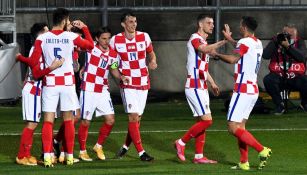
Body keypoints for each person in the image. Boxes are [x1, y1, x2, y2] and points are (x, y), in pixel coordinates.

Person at [23, 8, 94, 167]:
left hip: (51, 83)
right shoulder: (71, 36)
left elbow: (34, 61)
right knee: (68, 120)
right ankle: (68, 156)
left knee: (48, 121)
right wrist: (84, 27)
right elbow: (90, 46)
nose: (69, 23)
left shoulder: (43, 38)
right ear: (64, 20)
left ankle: (48, 157)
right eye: (68, 21)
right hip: (67, 83)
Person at [210, 16, 272, 170]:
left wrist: (216, 54)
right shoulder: (257, 42)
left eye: (240, 24)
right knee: (241, 127)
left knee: (232, 127)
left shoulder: (245, 43)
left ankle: (261, 149)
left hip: (242, 90)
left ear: (244, 27)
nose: (239, 26)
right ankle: (244, 162)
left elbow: (233, 59)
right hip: (253, 90)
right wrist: (230, 39)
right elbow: (243, 48)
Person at [174, 14, 226, 164]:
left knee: (201, 122)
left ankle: (198, 156)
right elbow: (204, 48)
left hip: (201, 86)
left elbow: (203, 68)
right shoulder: (195, 38)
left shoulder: (203, 41)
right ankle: (181, 143)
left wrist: (213, 83)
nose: (212, 25)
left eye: (213, 23)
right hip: (194, 85)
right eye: (209, 23)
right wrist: (222, 42)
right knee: (207, 121)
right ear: (200, 24)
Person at [110, 11, 157, 161]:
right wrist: (120, 76)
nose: (134, 24)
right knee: (133, 117)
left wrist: (153, 61)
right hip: (128, 83)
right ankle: (141, 153)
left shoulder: (144, 36)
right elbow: (113, 63)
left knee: (137, 120)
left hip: (143, 81)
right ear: (123, 24)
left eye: (135, 21)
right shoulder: (115, 40)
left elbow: (151, 53)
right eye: (130, 22)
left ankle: (124, 147)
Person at [15, 23, 64, 166]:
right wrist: (52, 67)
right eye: (47, 32)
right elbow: (36, 74)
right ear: (40, 34)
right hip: (32, 89)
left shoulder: (41, 49)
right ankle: (21, 156)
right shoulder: (36, 49)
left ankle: (27, 154)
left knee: (35, 123)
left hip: (37, 90)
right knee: (32, 124)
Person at [77, 27, 129, 161]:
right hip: (88, 88)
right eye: (104, 39)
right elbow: (78, 47)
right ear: (97, 39)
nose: (107, 41)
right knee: (85, 122)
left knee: (110, 120)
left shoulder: (113, 54)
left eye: (108, 38)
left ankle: (98, 146)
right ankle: (82, 151)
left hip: (102, 89)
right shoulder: (91, 47)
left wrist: (121, 77)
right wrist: (83, 66)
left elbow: (114, 69)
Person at [263, 24, 307, 115]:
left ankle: (304, 104)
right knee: (268, 80)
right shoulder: (275, 42)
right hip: (278, 77)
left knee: (305, 80)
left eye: (292, 35)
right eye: (286, 34)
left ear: (296, 35)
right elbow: (265, 55)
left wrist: (288, 47)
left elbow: (302, 57)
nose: (289, 37)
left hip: (295, 77)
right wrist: (275, 41)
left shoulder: (300, 42)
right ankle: (280, 105)